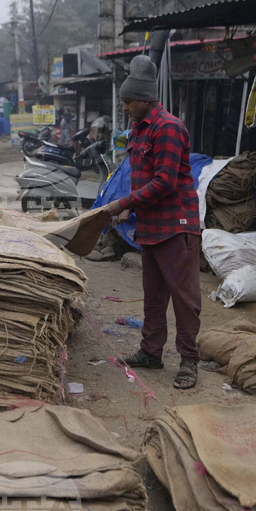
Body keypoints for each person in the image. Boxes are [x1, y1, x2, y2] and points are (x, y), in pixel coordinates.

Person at [102, 56, 202, 390]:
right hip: (150, 226)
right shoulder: (139, 129)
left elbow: (164, 183)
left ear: (145, 99)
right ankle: (151, 352)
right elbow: (140, 177)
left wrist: (123, 203)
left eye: (129, 102)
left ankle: (189, 361)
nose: (126, 107)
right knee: (153, 296)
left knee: (184, 300)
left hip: (176, 226)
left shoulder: (168, 127)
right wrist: (130, 210)